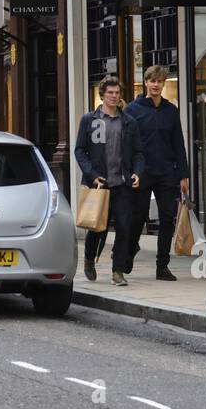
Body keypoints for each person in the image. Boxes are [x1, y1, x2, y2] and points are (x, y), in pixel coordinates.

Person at [74, 76, 144, 286]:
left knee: (124, 227)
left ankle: (117, 271)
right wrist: (92, 174)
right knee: (97, 228)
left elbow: (139, 152)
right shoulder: (90, 120)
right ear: (102, 95)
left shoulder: (128, 122)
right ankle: (88, 259)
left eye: (117, 93)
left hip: (122, 183)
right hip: (99, 185)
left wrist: (137, 172)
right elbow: (80, 150)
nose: (114, 96)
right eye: (110, 93)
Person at [126, 66, 191, 281]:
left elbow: (178, 144)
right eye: (152, 81)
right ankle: (130, 249)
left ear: (163, 84)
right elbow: (127, 144)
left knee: (167, 219)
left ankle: (162, 265)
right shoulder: (133, 110)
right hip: (142, 172)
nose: (156, 85)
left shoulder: (171, 111)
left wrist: (183, 174)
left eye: (159, 82)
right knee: (137, 217)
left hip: (166, 172)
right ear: (145, 83)